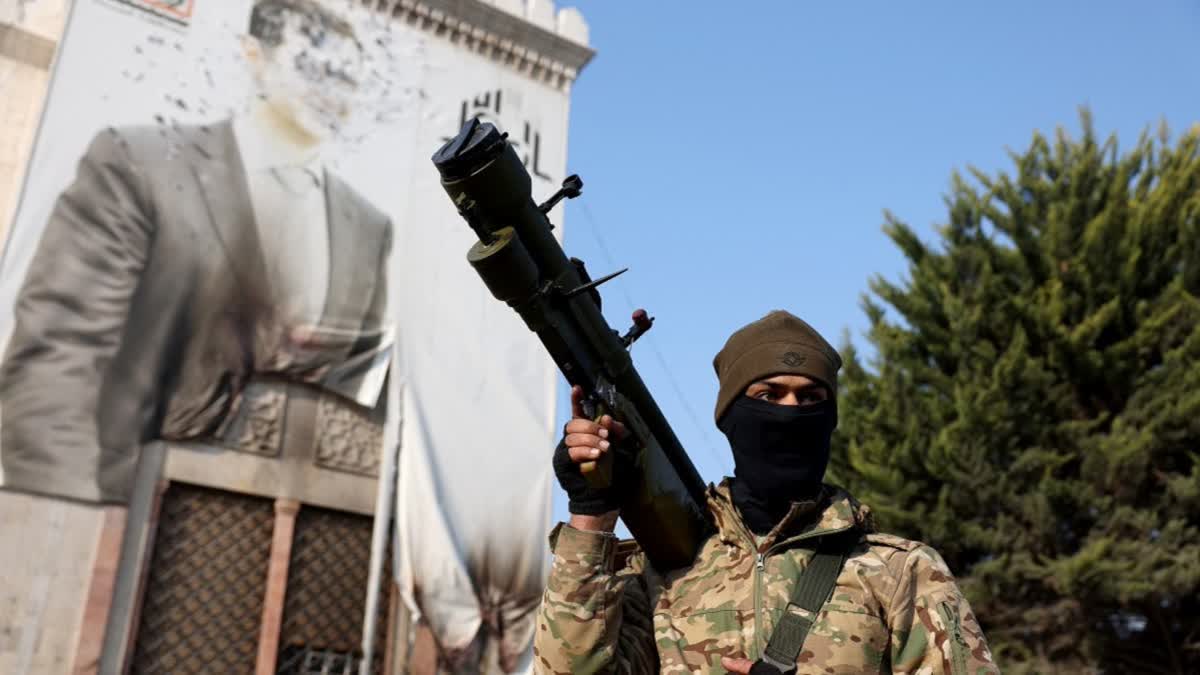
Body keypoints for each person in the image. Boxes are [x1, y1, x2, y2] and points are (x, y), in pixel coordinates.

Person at [0, 0, 393, 502]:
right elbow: (56, 357)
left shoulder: (368, 226)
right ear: (256, 56)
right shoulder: (140, 165)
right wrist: (69, 507)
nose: (328, 91)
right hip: (129, 481)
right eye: (312, 66)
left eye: (344, 77)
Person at [536, 310, 999, 674]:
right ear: (730, 417)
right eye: (769, 394)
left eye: (811, 398)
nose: (791, 411)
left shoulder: (901, 572)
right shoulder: (661, 566)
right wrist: (591, 511)